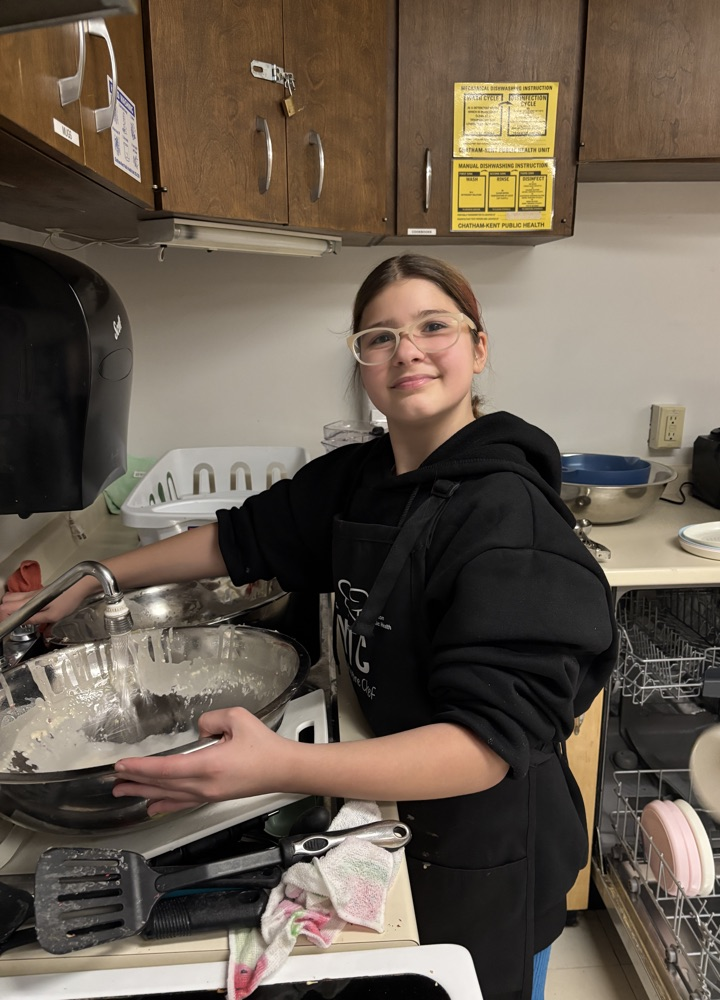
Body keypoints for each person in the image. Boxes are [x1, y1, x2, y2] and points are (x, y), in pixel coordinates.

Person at [0, 254, 618, 1000]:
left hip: (484, 842)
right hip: (396, 807)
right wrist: (87, 583)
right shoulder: (363, 475)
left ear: (478, 347)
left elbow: (484, 749)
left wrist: (276, 766)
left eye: (433, 327)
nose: (407, 351)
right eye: (379, 337)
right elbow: (240, 539)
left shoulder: (504, 515)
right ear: (361, 364)